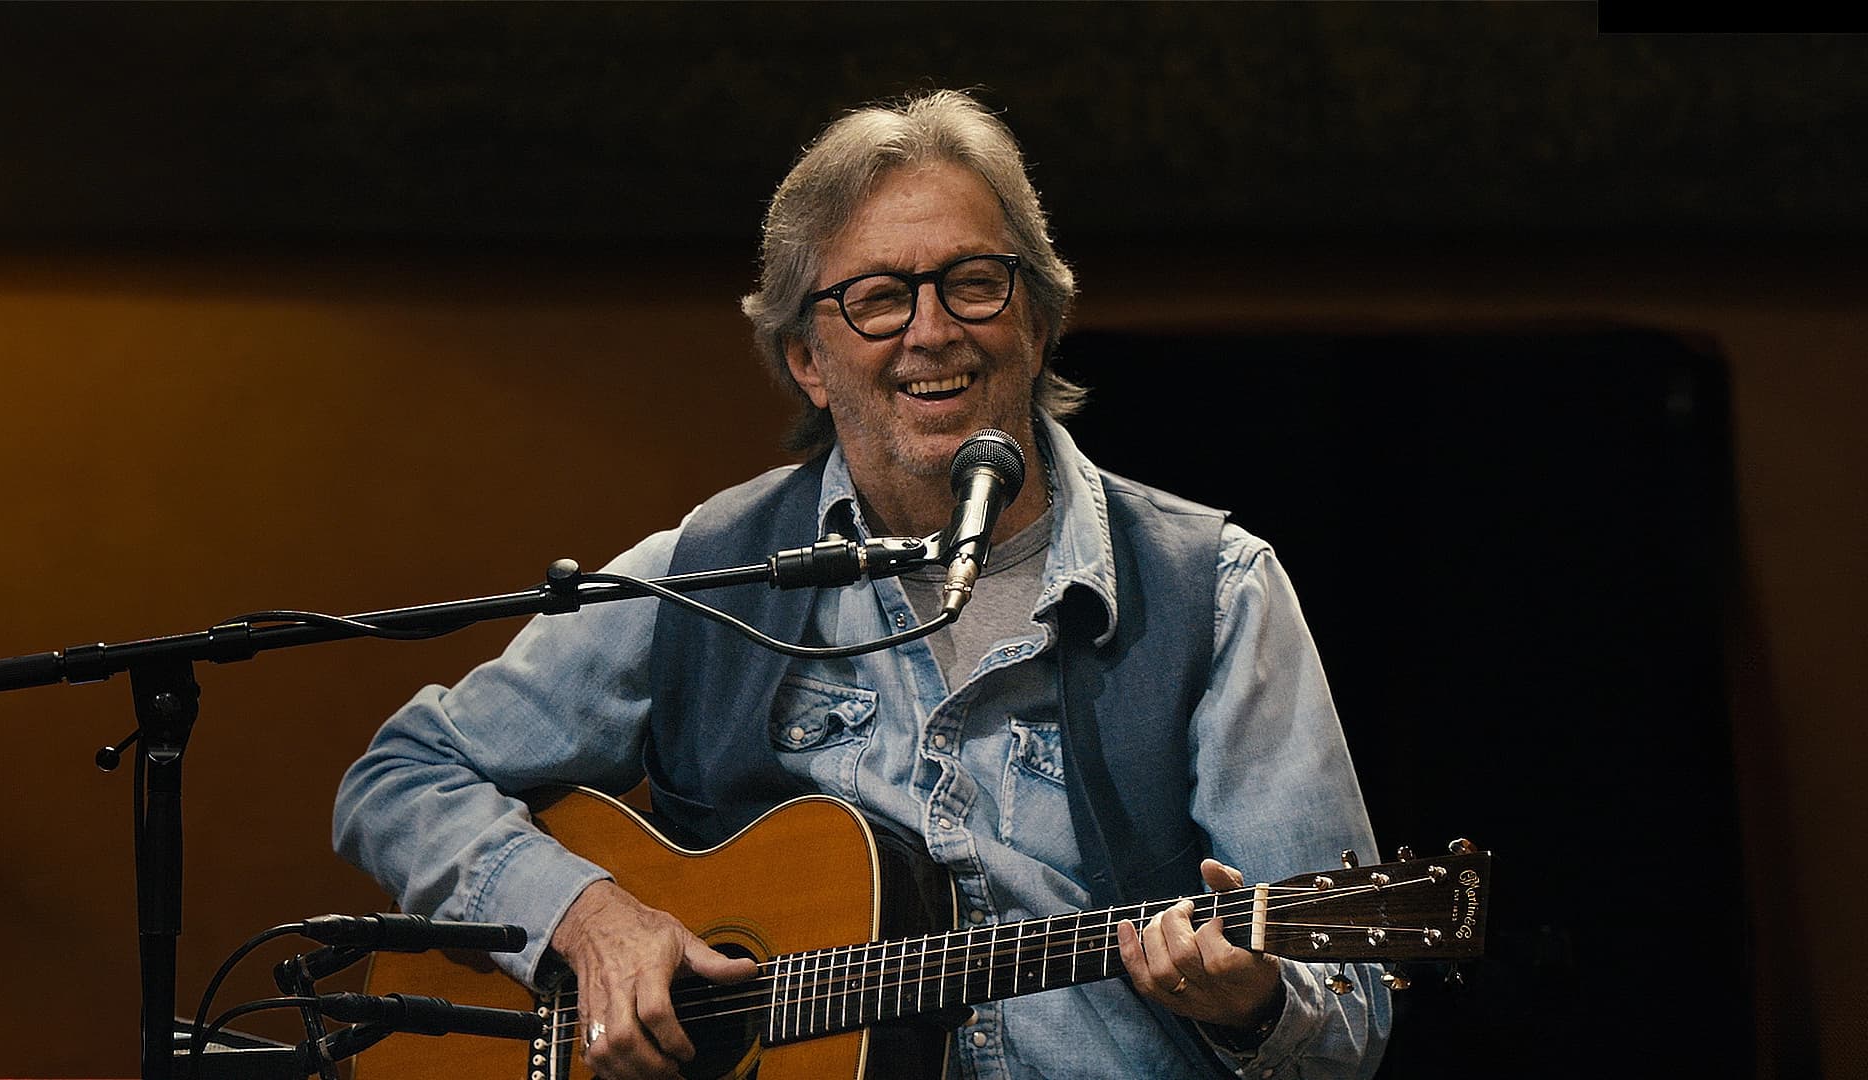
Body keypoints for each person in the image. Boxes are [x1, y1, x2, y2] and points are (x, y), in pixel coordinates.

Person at [334, 89, 1390, 1079]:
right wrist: (587, 915)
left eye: (974, 282)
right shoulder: (707, 575)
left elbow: (1350, 1012)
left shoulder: (1218, 592)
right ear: (806, 357)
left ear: (1036, 316)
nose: (932, 331)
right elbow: (399, 776)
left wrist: (1254, 1001)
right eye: (878, 299)